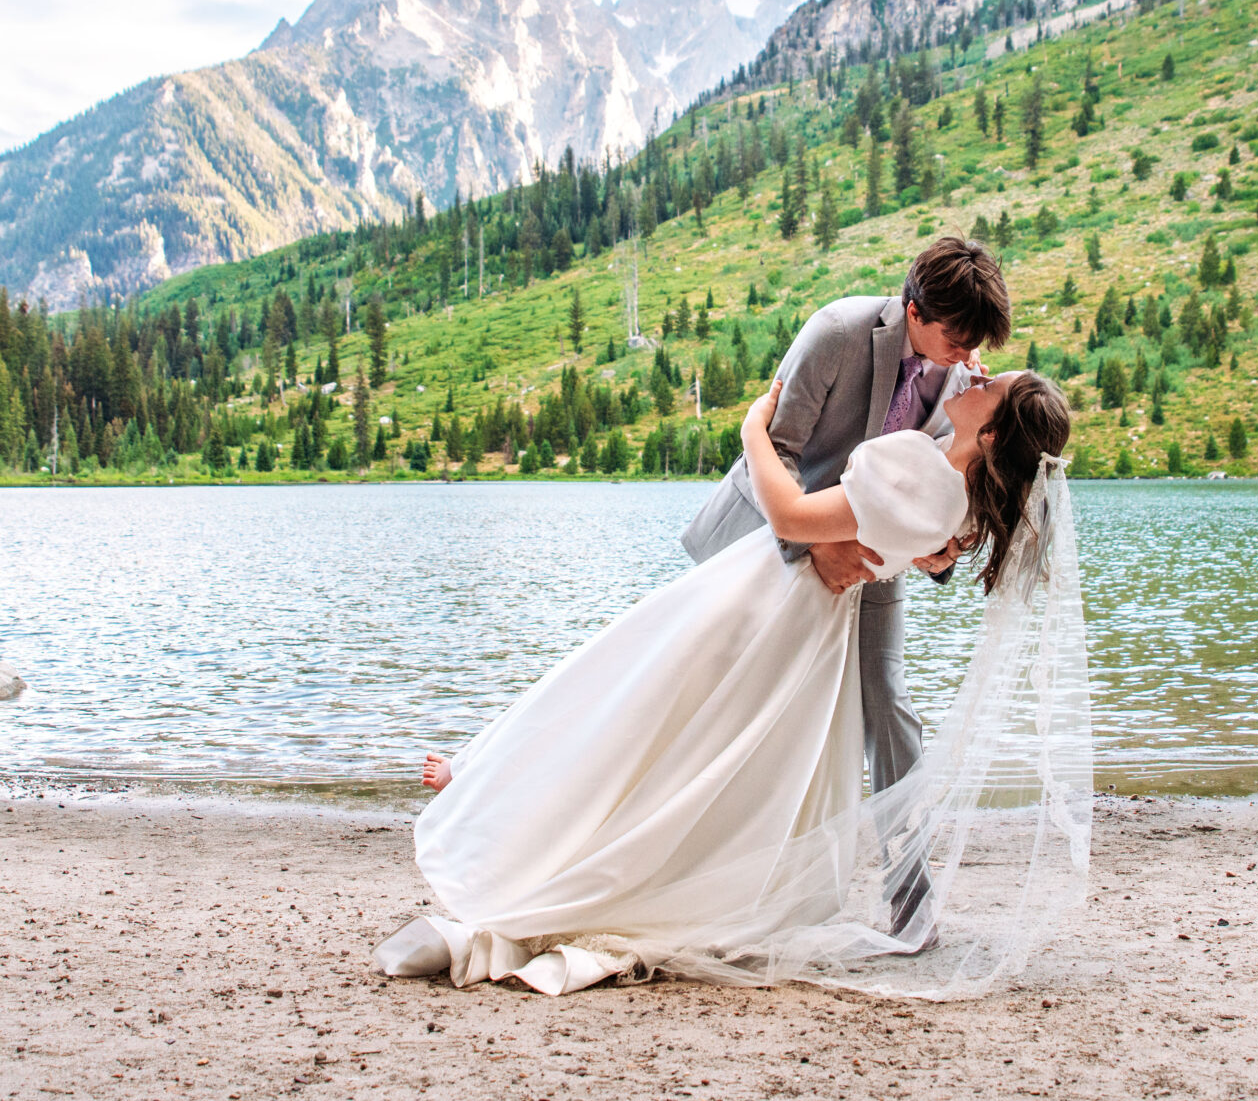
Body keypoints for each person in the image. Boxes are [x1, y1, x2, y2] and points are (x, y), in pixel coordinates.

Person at [374, 362, 1082, 999]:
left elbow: (791, 515)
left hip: (771, 600)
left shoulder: (926, 479)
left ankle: (533, 830)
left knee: (635, 706)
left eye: (991, 387)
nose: (977, 376)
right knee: (687, 738)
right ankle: (519, 795)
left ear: (990, 434)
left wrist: (754, 433)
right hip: (814, 624)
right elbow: (910, 526)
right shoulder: (952, 499)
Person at [680, 237, 1011, 797]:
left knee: (887, 700)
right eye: (956, 341)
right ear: (914, 311)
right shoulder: (836, 331)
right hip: (765, 542)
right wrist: (814, 544)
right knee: (718, 696)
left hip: (871, 560)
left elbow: (937, 485)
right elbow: (778, 445)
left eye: (973, 344)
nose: (965, 356)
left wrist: (936, 552)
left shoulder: (963, 377)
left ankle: (911, 882)